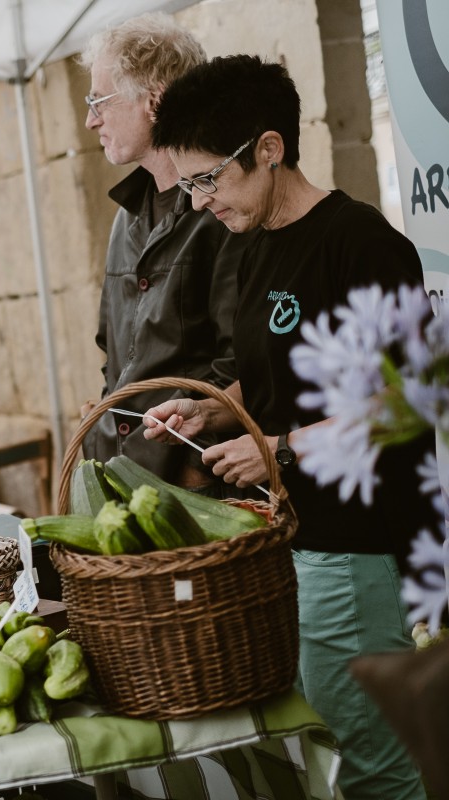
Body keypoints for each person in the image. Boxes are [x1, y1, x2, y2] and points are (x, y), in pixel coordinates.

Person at [145, 55, 433, 800]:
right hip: (295, 540)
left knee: (378, 758)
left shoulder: (362, 245)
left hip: (358, 543)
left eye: (210, 179)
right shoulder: (254, 243)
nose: (202, 201)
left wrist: (278, 447)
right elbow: (278, 375)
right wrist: (213, 406)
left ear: (269, 149)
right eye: (189, 186)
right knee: (335, 739)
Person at [78, 14, 240, 488]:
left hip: (195, 491)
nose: (90, 120)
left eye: (99, 101)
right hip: (121, 480)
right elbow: (115, 357)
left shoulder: (224, 209)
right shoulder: (126, 214)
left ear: (155, 101)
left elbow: (242, 362)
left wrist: (193, 471)